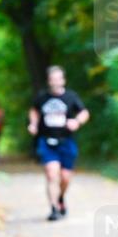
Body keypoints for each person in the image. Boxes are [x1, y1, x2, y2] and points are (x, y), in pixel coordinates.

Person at [28, 66, 90, 221]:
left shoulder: (71, 96)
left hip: (66, 141)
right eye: (52, 79)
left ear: (63, 80)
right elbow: (33, 110)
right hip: (47, 141)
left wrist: (76, 121)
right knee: (51, 173)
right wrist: (33, 124)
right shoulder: (42, 97)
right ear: (49, 81)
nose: (55, 82)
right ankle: (54, 208)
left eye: (58, 78)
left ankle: (61, 197)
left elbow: (84, 112)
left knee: (65, 177)